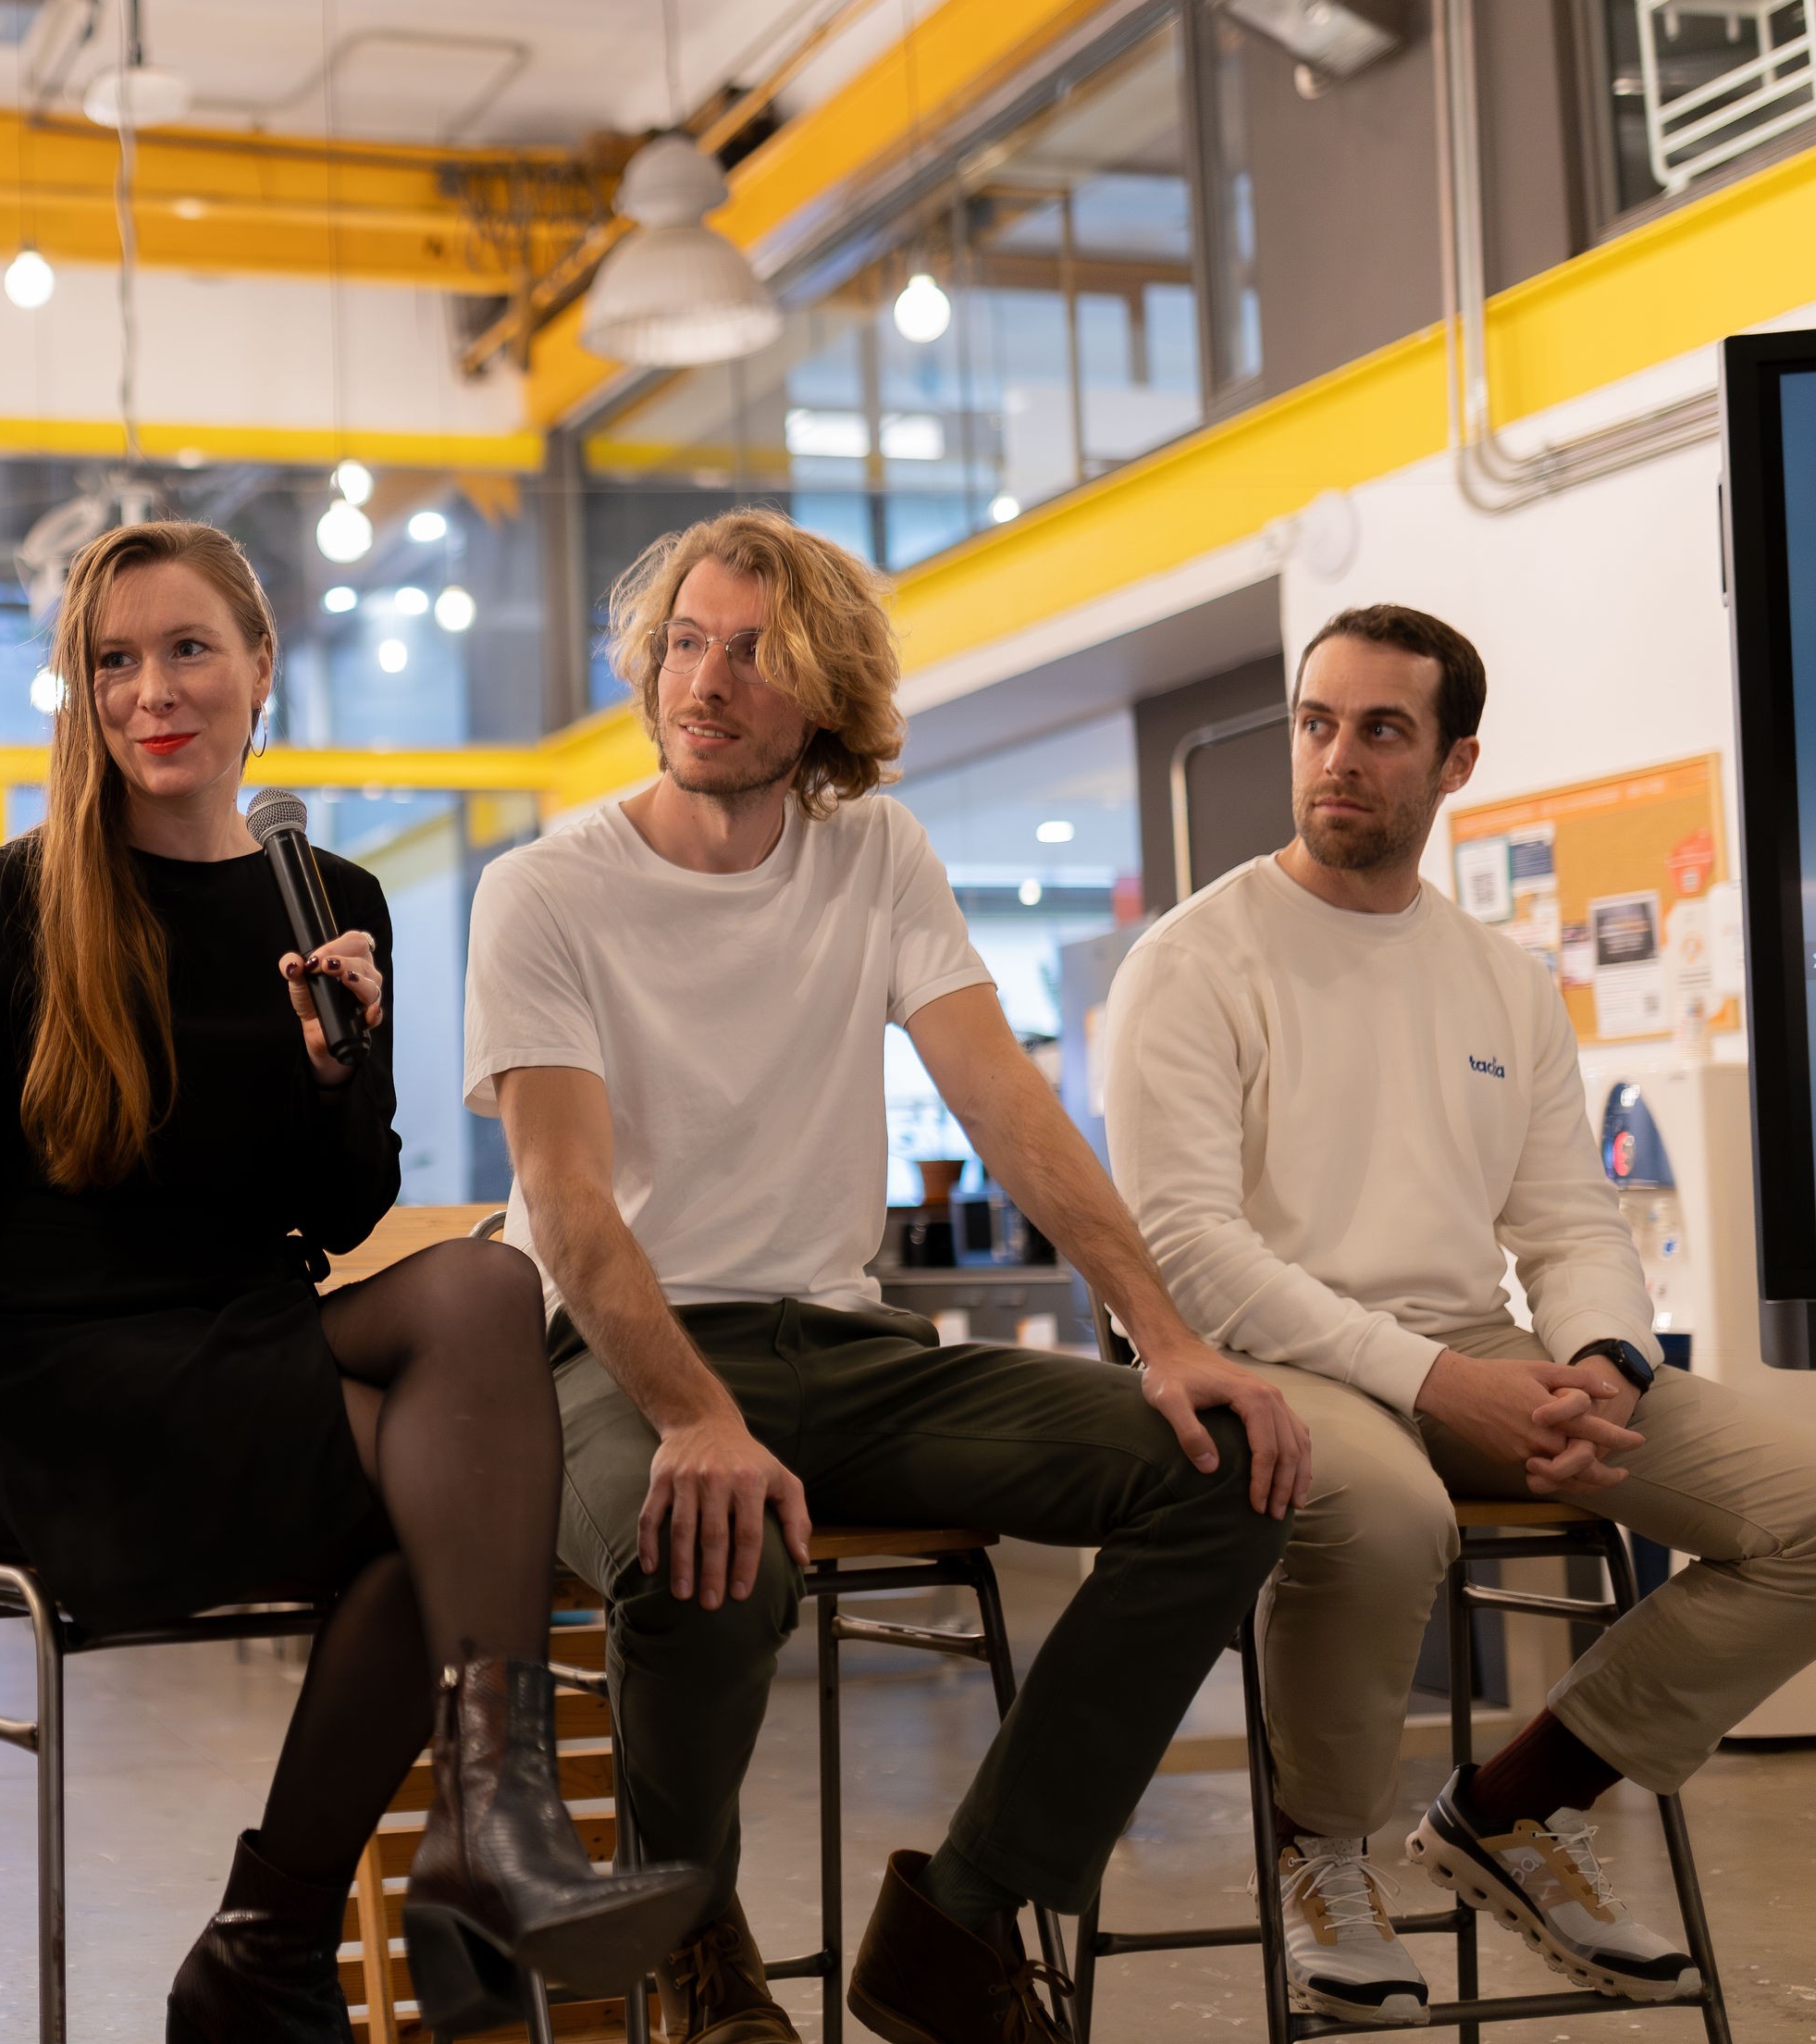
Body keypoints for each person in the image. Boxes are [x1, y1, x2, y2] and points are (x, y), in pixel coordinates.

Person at [0, 519, 707, 2042]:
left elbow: (348, 1204)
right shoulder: (10, 906)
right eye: (115, 660)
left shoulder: (326, 897)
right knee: (459, 1515)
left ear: (258, 671)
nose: (151, 691)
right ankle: (340, 1913)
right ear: (81, 693)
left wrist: (336, 1067)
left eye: (186, 651)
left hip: (249, 1347)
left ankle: (343, 1906)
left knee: (487, 1292)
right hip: (50, 1395)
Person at [465, 511, 1305, 2044]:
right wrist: (697, 1415)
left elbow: (1009, 1107)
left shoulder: (875, 857)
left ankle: (963, 1919)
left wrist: (1166, 1334)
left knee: (1230, 1460)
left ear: (828, 698)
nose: (705, 681)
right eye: (687, 643)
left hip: (848, 1347)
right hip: (620, 1360)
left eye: (753, 654)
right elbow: (567, 1202)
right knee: (715, 1539)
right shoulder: (548, 889)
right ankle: (689, 1928)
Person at [1103, 604, 1816, 2025]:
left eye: (1382, 730)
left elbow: (1565, 1220)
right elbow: (1189, 1252)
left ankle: (1514, 1806)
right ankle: (1321, 1853)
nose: (1338, 759)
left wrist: (1604, 1364)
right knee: (1386, 1513)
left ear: (1455, 761)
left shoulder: (1500, 977)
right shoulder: (1195, 958)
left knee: (1806, 1505)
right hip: (1259, 1358)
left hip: (1464, 1346)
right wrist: (1438, 1384)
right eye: (1319, 724)